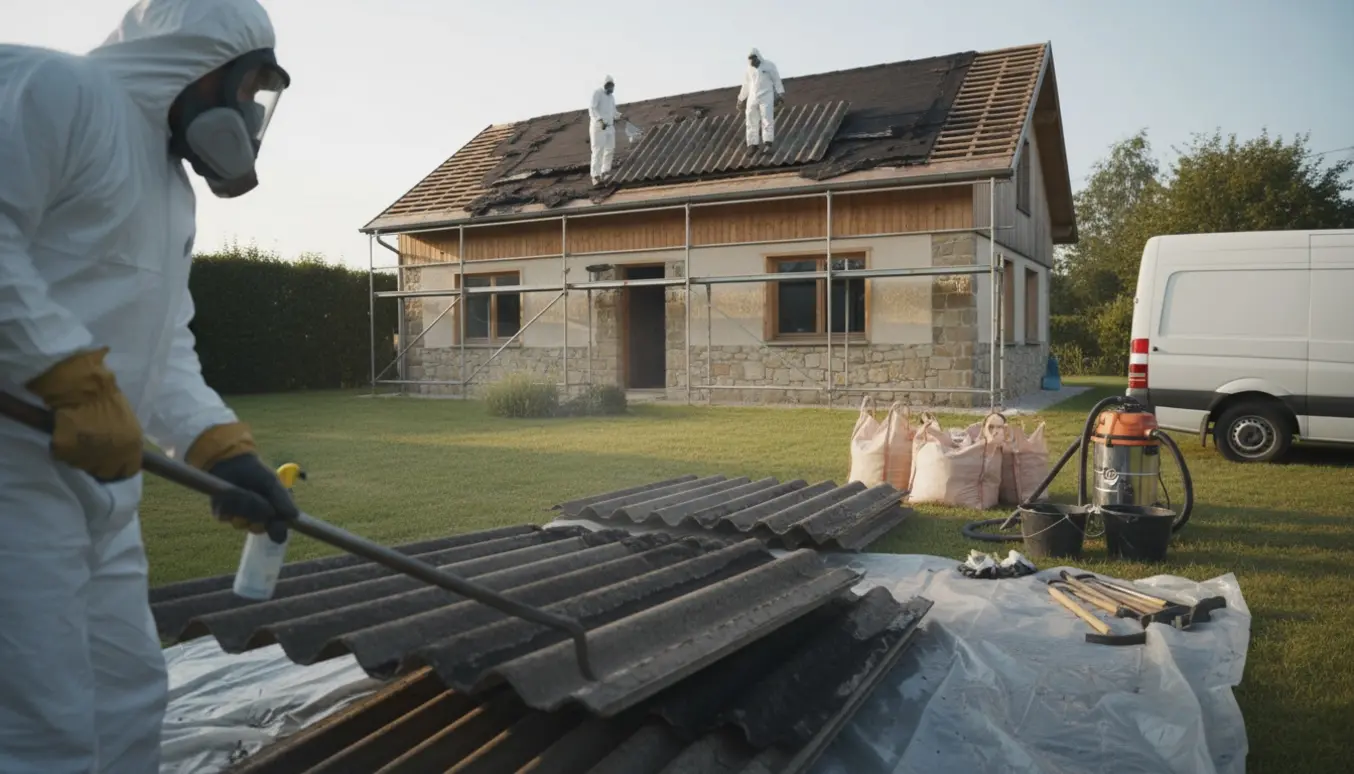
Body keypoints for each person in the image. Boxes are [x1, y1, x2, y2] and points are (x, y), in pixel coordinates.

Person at [0, 0, 297, 770]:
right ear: (195, 62)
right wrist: (62, 371)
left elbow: (162, 344)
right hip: (12, 469)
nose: (247, 113)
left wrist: (219, 445)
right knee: (37, 722)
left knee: (130, 693)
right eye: (246, 87)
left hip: (100, 481)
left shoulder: (171, 192)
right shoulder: (54, 89)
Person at [737, 47, 785, 152]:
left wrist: (781, 93)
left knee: (767, 118)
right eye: (750, 59)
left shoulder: (769, 66)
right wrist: (740, 99)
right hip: (752, 97)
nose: (752, 61)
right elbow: (745, 86)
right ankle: (752, 144)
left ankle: (768, 142)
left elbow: (776, 80)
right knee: (750, 119)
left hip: (766, 95)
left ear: (758, 57)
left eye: (753, 58)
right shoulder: (749, 70)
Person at [589, 74, 619, 186]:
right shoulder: (598, 93)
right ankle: (595, 176)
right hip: (599, 126)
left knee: (610, 149)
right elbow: (592, 108)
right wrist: (600, 120)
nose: (610, 88)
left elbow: (614, 112)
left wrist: (620, 115)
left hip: (610, 126)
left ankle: (605, 171)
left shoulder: (611, 98)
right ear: (604, 85)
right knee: (598, 150)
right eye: (608, 85)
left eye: (612, 85)